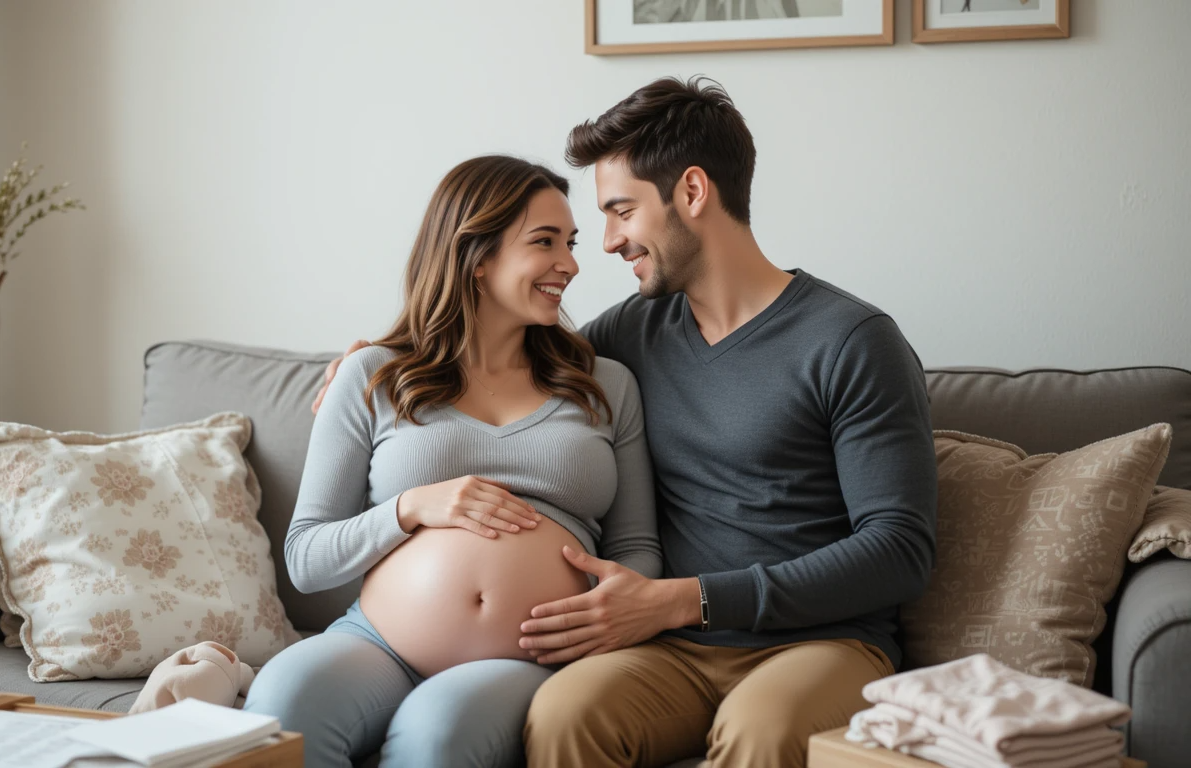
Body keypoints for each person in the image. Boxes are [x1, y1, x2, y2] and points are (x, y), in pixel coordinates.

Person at [315, 76, 938, 768]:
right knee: (564, 715)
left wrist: (686, 601)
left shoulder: (852, 341)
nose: (607, 244)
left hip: (823, 641)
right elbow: (498, 361)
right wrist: (379, 362)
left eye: (621, 212)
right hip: (672, 651)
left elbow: (900, 550)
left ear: (692, 192)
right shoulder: (628, 336)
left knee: (759, 729)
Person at [244, 154, 662, 768]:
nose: (571, 264)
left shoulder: (605, 385)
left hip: (526, 656)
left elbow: (637, 548)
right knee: (284, 702)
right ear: (476, 255)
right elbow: (307, 558)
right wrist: (410, 508)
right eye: (544, 241)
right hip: (379, 643)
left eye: (569, 243)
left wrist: (605, 616)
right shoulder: (371, 375)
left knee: (437, 733)